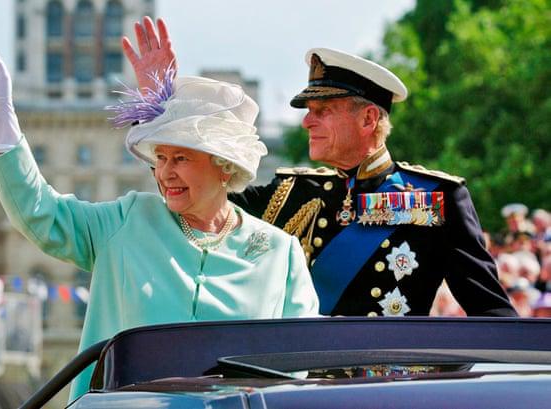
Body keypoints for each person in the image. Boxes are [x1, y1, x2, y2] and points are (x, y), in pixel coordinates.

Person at [0, 33, 319, 400]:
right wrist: (0, 116)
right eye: (160, 158)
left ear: (224, 167)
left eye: (180, 159)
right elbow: (41, 213)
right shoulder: (126, 221)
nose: (165, 173)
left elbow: (296, 373)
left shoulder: (280, 254)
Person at [125, 17, 516, 318]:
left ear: (367, 120)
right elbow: (193, 195)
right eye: (308, 112)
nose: (307, 123)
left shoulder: (436, 198)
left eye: (322, 111)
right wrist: (158, 108)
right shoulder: (290, 193)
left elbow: (493, 315)